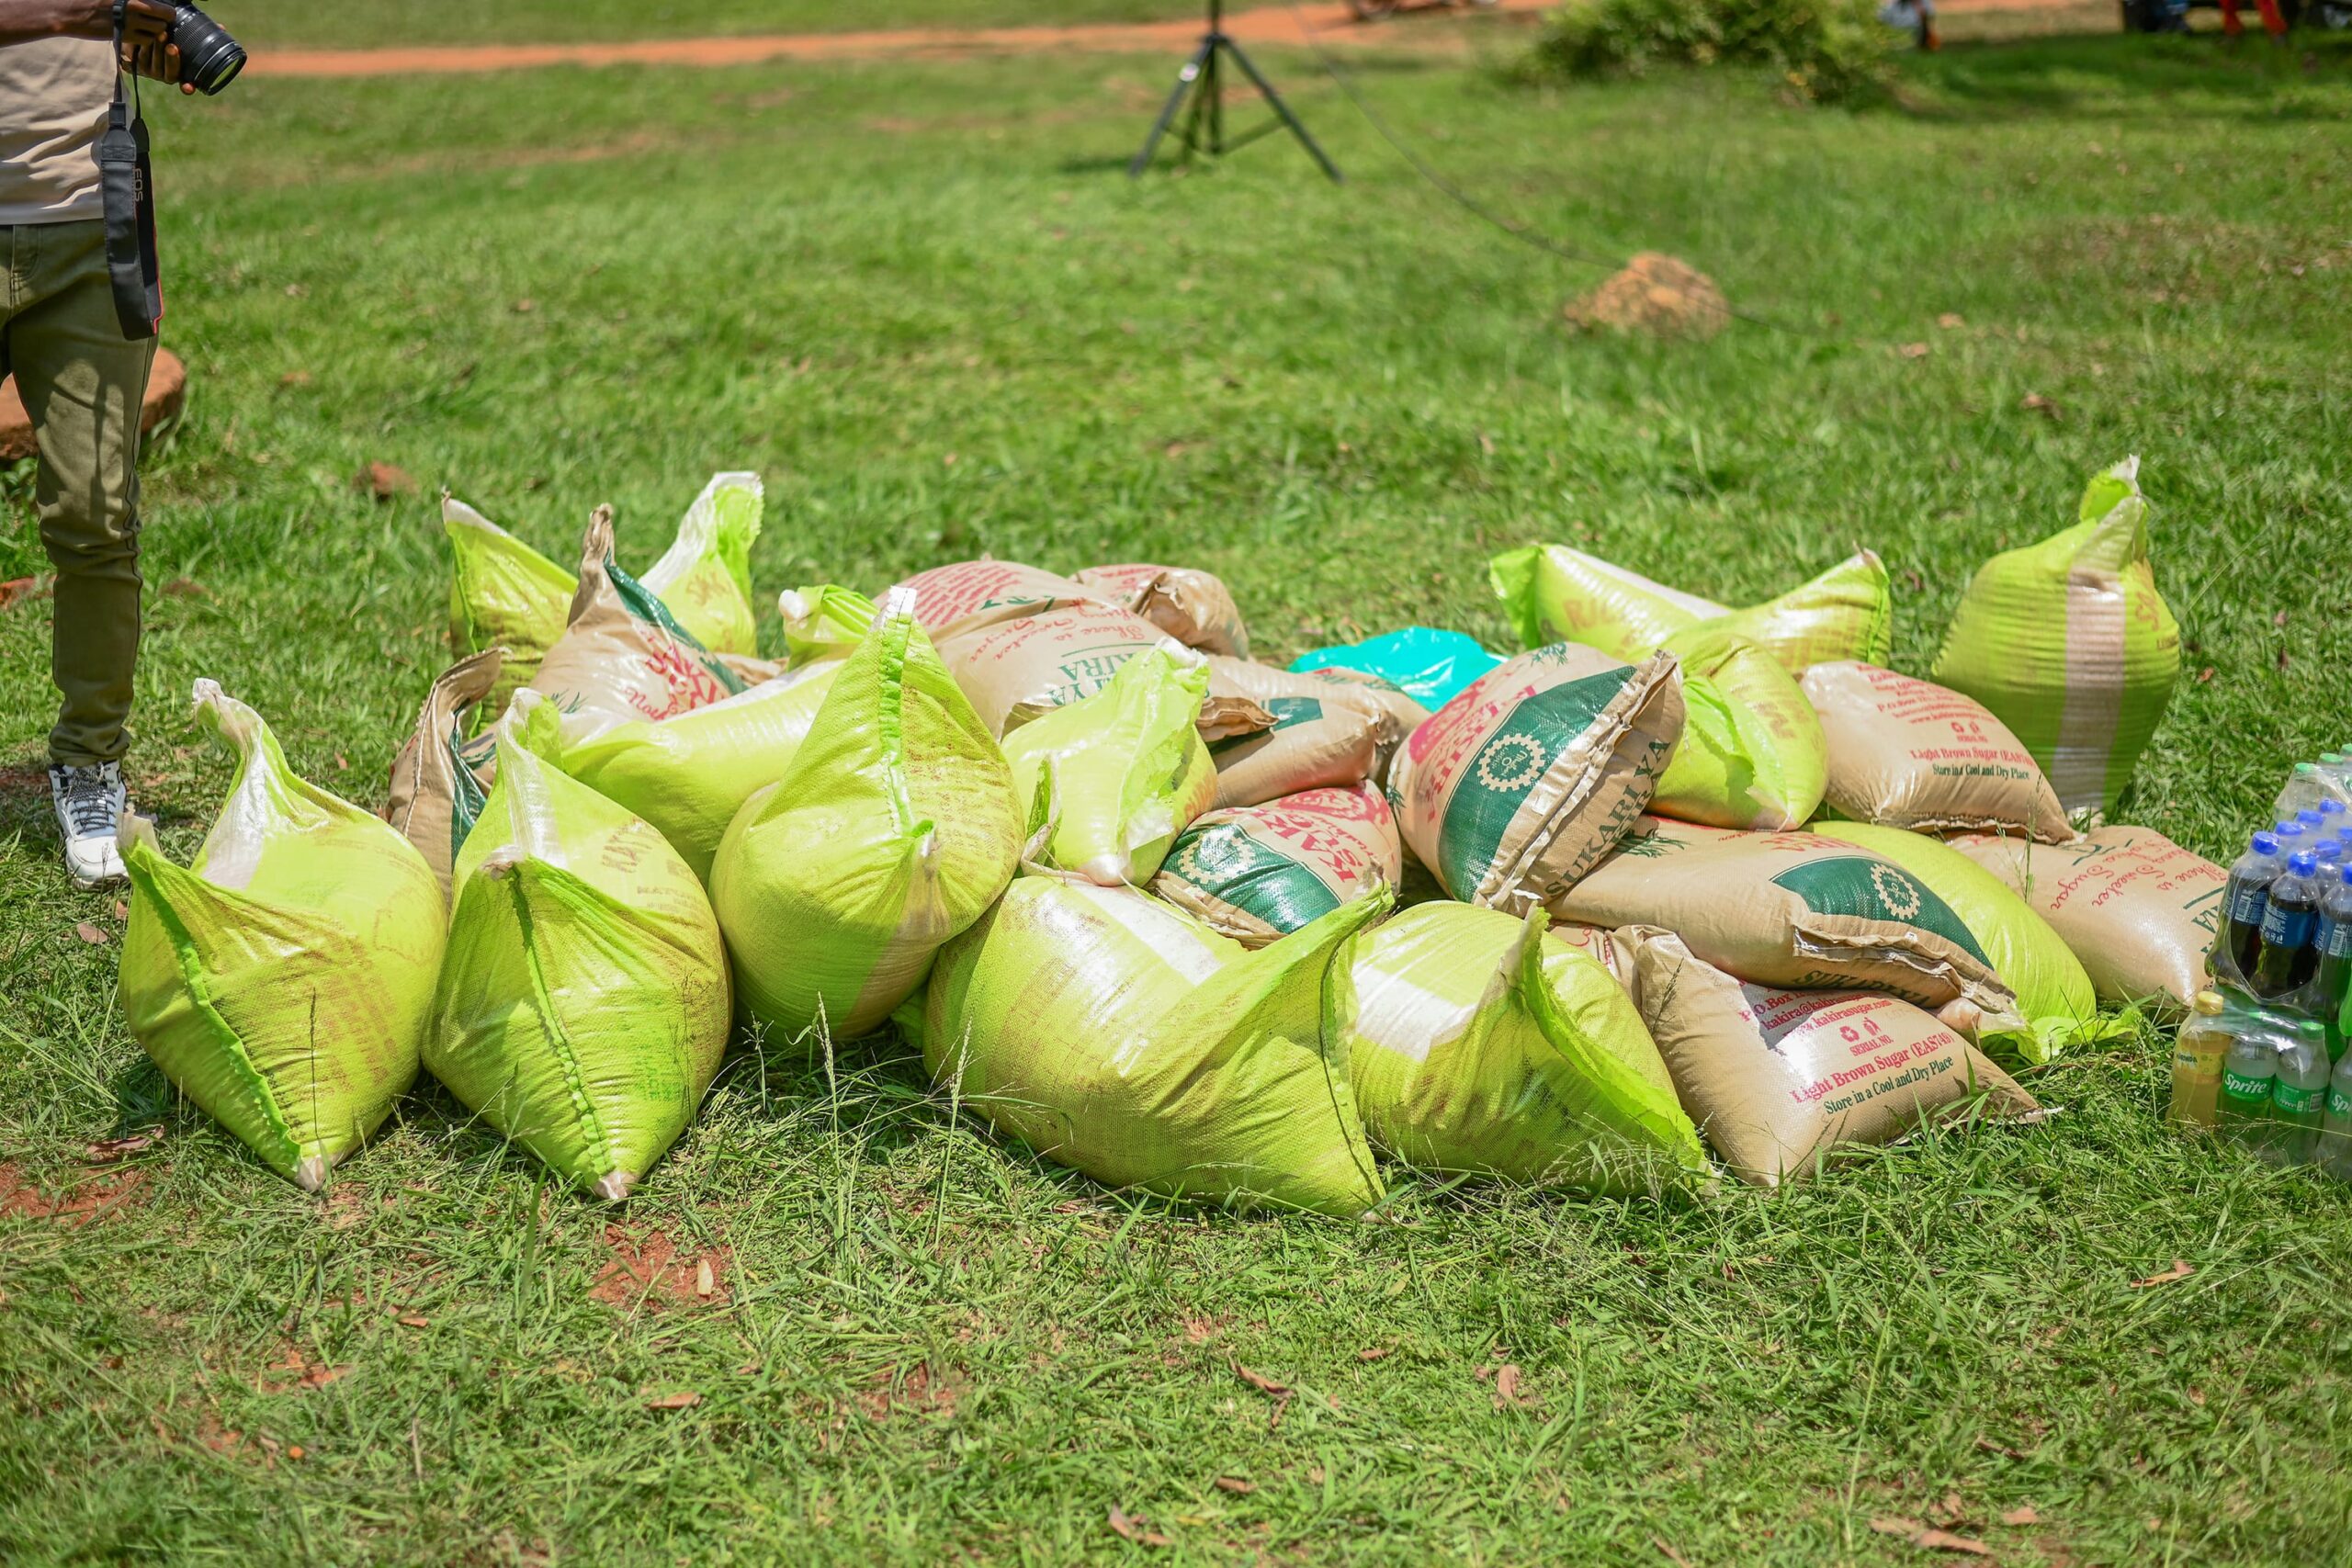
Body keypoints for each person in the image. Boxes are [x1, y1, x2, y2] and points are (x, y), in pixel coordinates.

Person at [1, 0, 188, 887]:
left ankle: (90, 764)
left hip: (89, 220)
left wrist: (137, 40)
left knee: (96, 512)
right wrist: (74, 11)